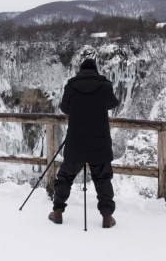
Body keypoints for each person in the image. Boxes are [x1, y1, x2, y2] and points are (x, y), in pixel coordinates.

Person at [48, 58, 119, 228]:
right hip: (100, 142)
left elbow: (65, 108)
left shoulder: (71, 86)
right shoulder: (105, 86)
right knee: (103, 179)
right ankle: (107, 216)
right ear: (96, 70)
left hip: (75, 141)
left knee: (65, 176)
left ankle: (57, 212)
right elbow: (113, 103)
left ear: (80, 71)